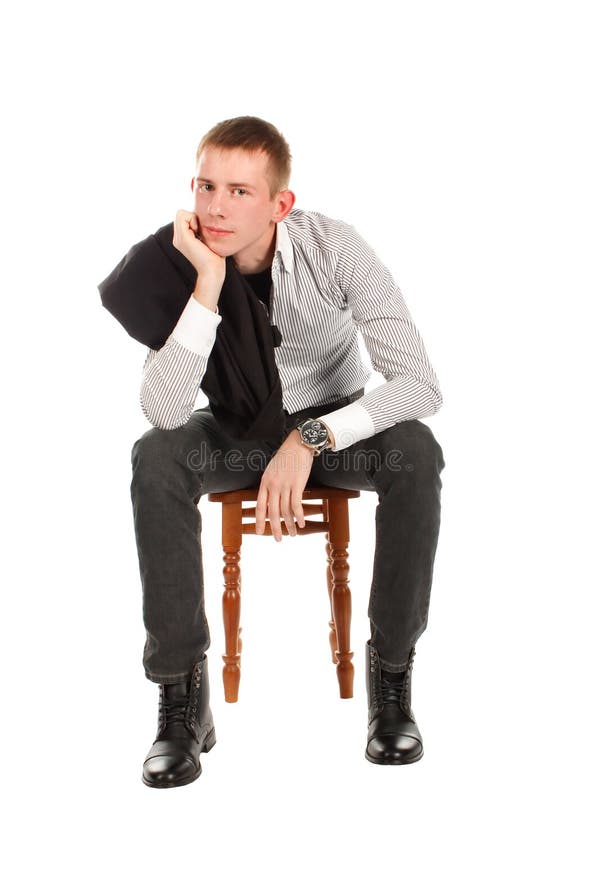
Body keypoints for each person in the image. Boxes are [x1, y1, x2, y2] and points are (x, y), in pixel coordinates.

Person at [128, 115, 445, 788]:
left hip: (331, 429)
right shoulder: (182, 265)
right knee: (157, 457)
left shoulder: (336, 248)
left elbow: (419, 383)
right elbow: (163, 412)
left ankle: (391, 681)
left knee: (415, 450)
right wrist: (206, 287)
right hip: (238, 431)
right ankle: (183, 698)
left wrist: (312, 436)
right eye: (206, 185)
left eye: (240, 191)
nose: (216, 205)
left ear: (280, 205)